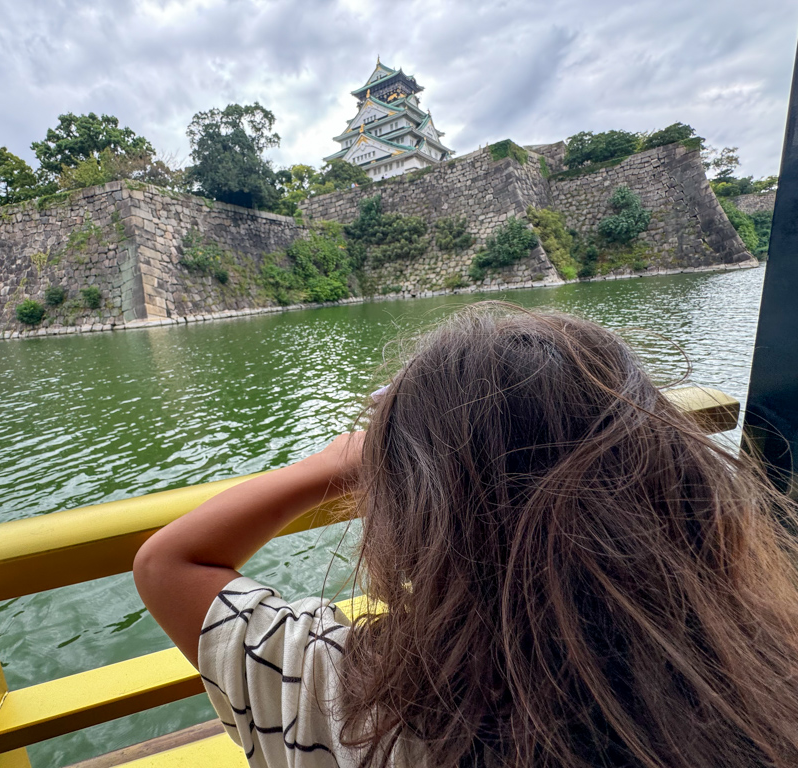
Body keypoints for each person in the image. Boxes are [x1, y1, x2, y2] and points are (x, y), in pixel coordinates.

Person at [133, 302, 798, 768]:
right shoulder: (763, 672)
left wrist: (344, 457)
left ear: (413, 515)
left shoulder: (348, 701)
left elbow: (168, 562)